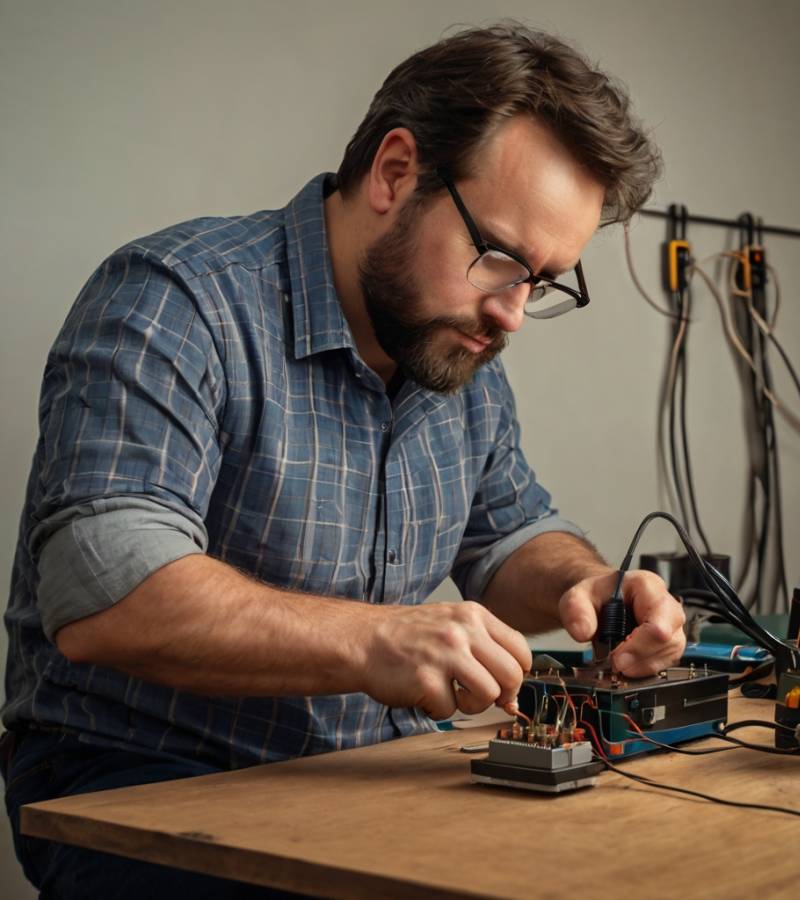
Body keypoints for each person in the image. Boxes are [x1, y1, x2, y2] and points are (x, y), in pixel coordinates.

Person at [2, 21, 684, 898]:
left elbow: (511, 533)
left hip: (366, 781)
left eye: (542, 282)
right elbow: (104, 596)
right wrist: (376, 641)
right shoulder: (177, 301)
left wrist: (580, 587)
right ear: (395, 173)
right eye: (502, 260)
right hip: (143, 784)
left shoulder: (456, 358)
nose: (513, 313)